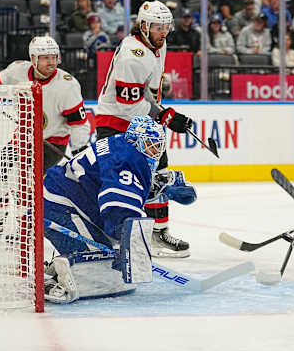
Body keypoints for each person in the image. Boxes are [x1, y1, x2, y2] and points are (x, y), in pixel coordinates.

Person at [43, 115, 195, 303]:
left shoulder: (121, 145)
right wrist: (129, 243)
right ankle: (49, 281)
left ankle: (55, 267)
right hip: (59, 206)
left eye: (158, 146)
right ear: (136, 140)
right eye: (151, 145)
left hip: (65, 201)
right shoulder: (128, 159)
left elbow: (109, 183)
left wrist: (156, 186)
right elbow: (117, 207)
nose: (156, 152)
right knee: (100, 270)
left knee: (109, 259)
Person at [96, 0, 194, 258]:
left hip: (142, 121)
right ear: (144, 26)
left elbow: (145, 95)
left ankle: (158, 233)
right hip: (116, 122)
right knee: (119, 182)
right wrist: (166, 116)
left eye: (166, 27)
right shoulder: (132, 55)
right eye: (158, 27)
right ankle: (106, 236)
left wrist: (164, 113)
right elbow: (127, 106)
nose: (164, 32)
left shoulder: (157, 46)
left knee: (160, 173)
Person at [0, 36, 90, 172]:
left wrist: (79, 153)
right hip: (23, 137)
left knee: (32, 179)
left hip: (53, 142)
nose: (51, 62)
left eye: (54, 57)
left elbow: (79, 124)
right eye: (46, 58)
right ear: (34, 59)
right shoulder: (17, 71)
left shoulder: (67, 86)